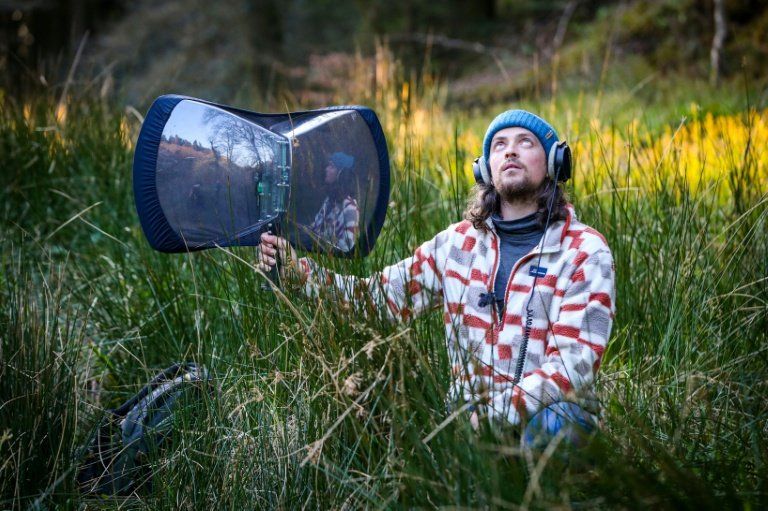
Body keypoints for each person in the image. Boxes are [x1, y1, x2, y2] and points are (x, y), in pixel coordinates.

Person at [259, 110, 615, 446]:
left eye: (525, 142)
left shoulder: (585, 252)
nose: (510, 151)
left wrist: (491, 416)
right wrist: (298, 273)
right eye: (499, 145)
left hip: (543, 424)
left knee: (559, 425)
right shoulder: (456, 245)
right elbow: (376, 300)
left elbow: (572, 367)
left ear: (554, 164)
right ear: (485, 169)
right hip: (467, 433)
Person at [308, 151, 360, 252]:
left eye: (331, 166)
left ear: (341, 174)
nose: (326, 169)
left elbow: (347, 247)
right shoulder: (329, 201)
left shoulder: (350, 208)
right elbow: (315, 227)